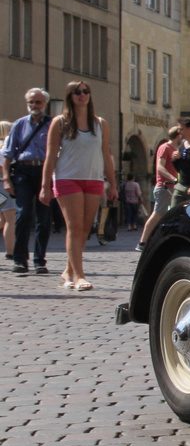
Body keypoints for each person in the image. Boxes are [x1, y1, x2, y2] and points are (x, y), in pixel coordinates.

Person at [36, 81, 116, 291]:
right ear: (70, 97)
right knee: (74, 227)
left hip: (94, 179)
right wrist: (45, 186)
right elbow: (50, 156)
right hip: (67, 178)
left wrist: (113, 185)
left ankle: (68, 271)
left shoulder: (100, 124)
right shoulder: (60, 122)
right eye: (77, 92)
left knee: (84, 229)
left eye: (86, 91)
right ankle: (79, 276)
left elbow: (106, 156)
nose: (82, 95)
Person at [2, 88, 54, 274]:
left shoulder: (52, 124)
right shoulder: (19, 124)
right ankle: (20, 259)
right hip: (23, 171)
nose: (34, 106)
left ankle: (40, 260)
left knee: (43, 218)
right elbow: (8, 154)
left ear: (45, 104)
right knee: (22, 215)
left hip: (44, 171)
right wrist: (7, 178)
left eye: (38, 102)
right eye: (31, 102)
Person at [137, 126, 181, 251]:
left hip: (174, 187)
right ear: (178, 136)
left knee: (171, 215)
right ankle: (142, 242)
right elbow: (160, 167)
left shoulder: (176, 150)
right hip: (164, 186)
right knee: (158, 214)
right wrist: (173, 178)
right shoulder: (165, 147)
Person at [0, 120, 13, 260]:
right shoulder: (3, 147)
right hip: (3, 185)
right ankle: (10, 251)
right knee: (10, 218)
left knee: (4, 219)